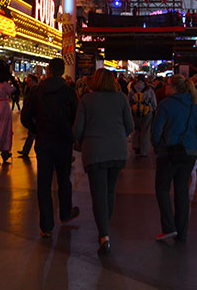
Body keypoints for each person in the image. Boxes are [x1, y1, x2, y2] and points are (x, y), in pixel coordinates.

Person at [73, 69, 133, 254]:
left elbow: (77, 130)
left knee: (98, 194)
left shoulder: (87, 100)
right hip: (117, 152)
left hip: (95, 152)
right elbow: (130, 126)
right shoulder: (122, 98)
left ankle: (104, 234)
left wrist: (83, 142)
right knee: (109, 191)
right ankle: (104, 226)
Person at [31, 57, 80, 237]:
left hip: (44, 141)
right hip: (63, 142)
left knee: (43, 183)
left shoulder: (36, 92)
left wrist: (36, 129)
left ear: (49, 71)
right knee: (63, 179)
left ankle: (46, 225)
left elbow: (25, 116)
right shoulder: (69, 93)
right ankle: (65, 212)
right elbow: (76, 116)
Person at [151, 75, 197, 243]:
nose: (165, 87)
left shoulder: (165, 105)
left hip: (169, 152)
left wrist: (158, 147)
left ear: (173, 87)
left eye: (167, 84)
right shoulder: (193, 107)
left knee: (162, 189)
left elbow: (156, 130)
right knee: (182, 192)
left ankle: (168, 227)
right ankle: (182, 232)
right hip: (189, 153)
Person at [129, 75, 157, 157]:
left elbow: (129, 101)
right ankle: (143, 151)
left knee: (136, 129)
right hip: (147, 112)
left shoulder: (132, 89)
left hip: (135, 112)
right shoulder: (149, 89)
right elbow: (153, 102)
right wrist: (154, 109)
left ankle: (136, 146)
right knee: (145, 131)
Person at [18, 74, 39, 159]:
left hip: (33, 117)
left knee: (32, 134)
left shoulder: (35, 91)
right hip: (32, 117)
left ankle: (26, 151)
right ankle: (25, 150)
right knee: (31, 134)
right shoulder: (30, 90)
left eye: (30, 80)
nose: (28, 82)